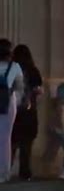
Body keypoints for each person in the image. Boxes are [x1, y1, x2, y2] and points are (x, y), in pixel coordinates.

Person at [11, 45, 43, 180]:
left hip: (13, 112)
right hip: (29, 113)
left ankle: (5, 171)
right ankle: (25, 173)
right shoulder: (33, 71)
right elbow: (38, 92)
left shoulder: (12, 70)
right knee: (26, 146)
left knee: (10, 144)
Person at [0, 39, 23, 183]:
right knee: (5, 138)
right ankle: (3, 173)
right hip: (8, 102)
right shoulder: (15, 66)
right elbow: (20, 87)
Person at [42, 83, 64, 179]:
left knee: (51, 150)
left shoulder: (59, 103)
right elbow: (63, 118)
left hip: (54, 129)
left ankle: (45, 170)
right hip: (59, 130)